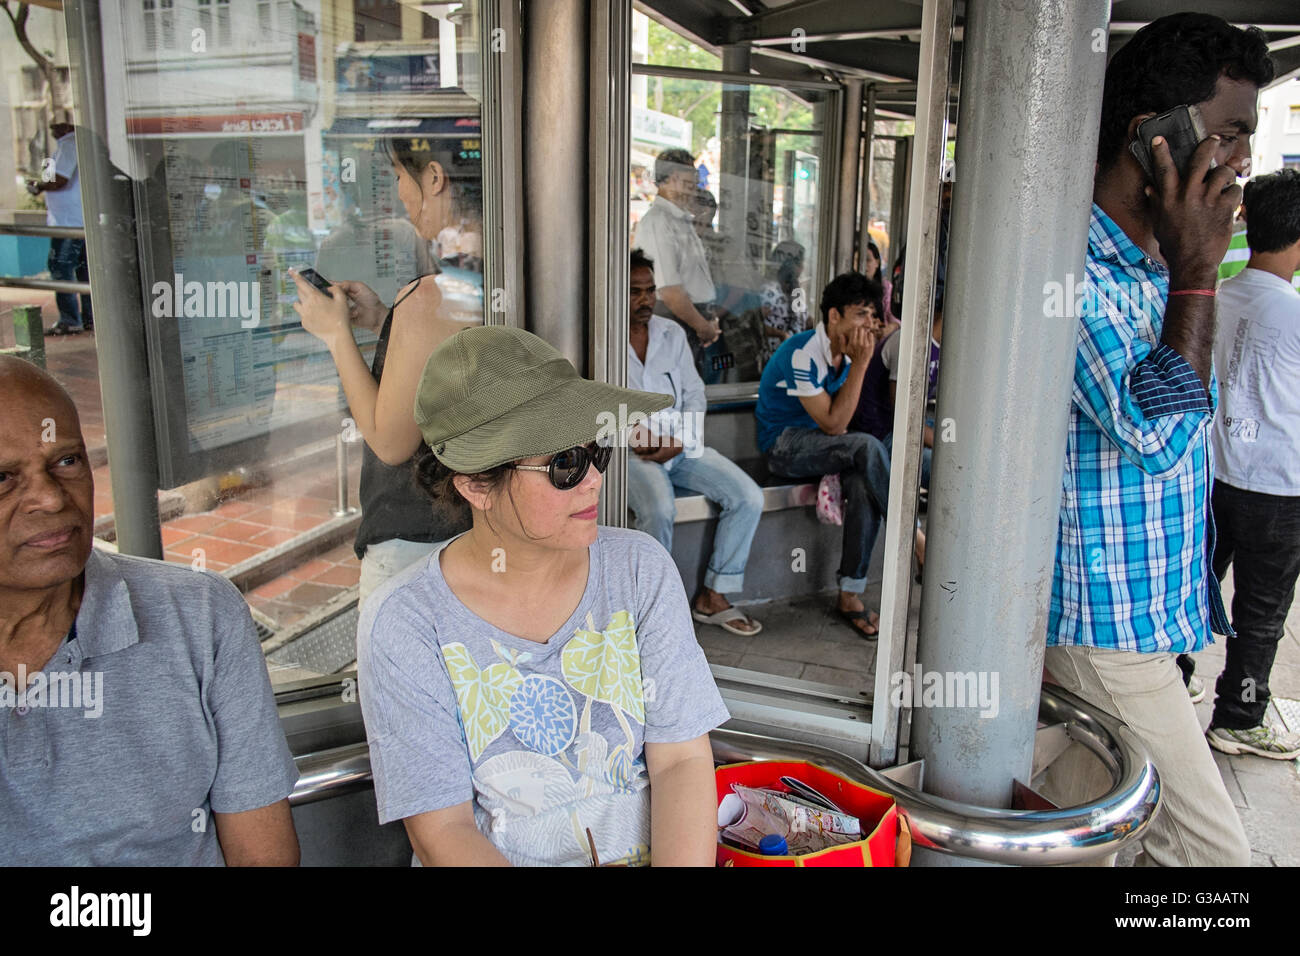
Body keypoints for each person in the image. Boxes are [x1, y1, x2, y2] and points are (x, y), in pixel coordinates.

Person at [356, 326, 730, 866]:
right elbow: (444, 830)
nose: (594, 480)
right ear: (476, 485)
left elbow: (681, 762)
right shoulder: (407, 623)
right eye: (564, 466)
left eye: (595, 451)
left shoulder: (638, 569)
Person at [1045, 12, 1272, 866]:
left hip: (1145, 620)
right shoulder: (1072, 269)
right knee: (1215, 864)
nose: (1243, 158)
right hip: (1101, 625)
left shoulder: (1147, 267)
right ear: (1154, 139)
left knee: (1081, 845)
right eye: (1230, 134)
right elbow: (1153, 432)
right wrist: (1200, 272)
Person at [0, 356, 300, 865]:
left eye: (67, 461)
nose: (51, 499)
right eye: (3, 477)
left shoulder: (199, 615)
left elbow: (263, 854)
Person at [292, 132, 481, 605]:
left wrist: (336, 334)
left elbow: (391, 442)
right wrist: (384, 321)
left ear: (432, 177)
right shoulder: (498, 275)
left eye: (399, 175)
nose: (398, 192)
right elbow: (452, 362)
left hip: (416, 539)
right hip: (482, 530)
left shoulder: (432, 296)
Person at [1204, 168, 1300, 760]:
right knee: (1261, 611)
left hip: (1213, 474)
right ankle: (1239, 716)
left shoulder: (1215, 296)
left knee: (1195, 586)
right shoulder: (1293, 312)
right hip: (1278, 485)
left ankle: (1174, 677)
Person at [626, 249, 764, 636]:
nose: (646, 300)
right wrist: (633, 436)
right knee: (659, 508)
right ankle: (651, 612)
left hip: (680, 445)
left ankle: (714, 595)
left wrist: (680, 441)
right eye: (635, 291)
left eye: (650, 290)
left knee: (747, 496)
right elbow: (591, 405)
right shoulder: (602, 338)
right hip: (630, 453)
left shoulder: (671, 334)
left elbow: (695, 394)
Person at [755, 272, 889, 638]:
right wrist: (862, 364)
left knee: (863, 484)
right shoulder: (803, 353)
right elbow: (834, 423)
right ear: (834, 316)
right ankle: (913, 538)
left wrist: (861, 361)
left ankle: (850, 593)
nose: (867, 325)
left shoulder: (843, 356)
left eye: (871, 316)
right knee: (865, 446)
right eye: (860, 314)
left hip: (820, 445)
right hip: (784, 447)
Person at [633, 148, 723, 380]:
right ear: (671, 179)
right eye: (690, 183)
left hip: (693, 321)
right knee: (679, 397)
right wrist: (703, 327)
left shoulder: (680, 220)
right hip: (679, 321)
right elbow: (670, 291)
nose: (694, 190)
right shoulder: (658, 223)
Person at [26, 117, 92, 336]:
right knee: (83, 271)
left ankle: (70, 319)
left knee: (61, 268)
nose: (52, 129)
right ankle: (89, 318)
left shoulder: (69, 144)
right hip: (75, 220)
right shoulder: (70, 146)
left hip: (67, 223)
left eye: (55, 125)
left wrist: (39, 186)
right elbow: (50, 176)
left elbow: (58, 180)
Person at [759, 240, 809, 362]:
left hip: (794, 358)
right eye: (800, 263)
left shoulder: (797, 292)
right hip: (775, 360)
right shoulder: (770, 292)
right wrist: (781, 334)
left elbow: (802, 321)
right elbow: (758, 326)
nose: (803, 267)